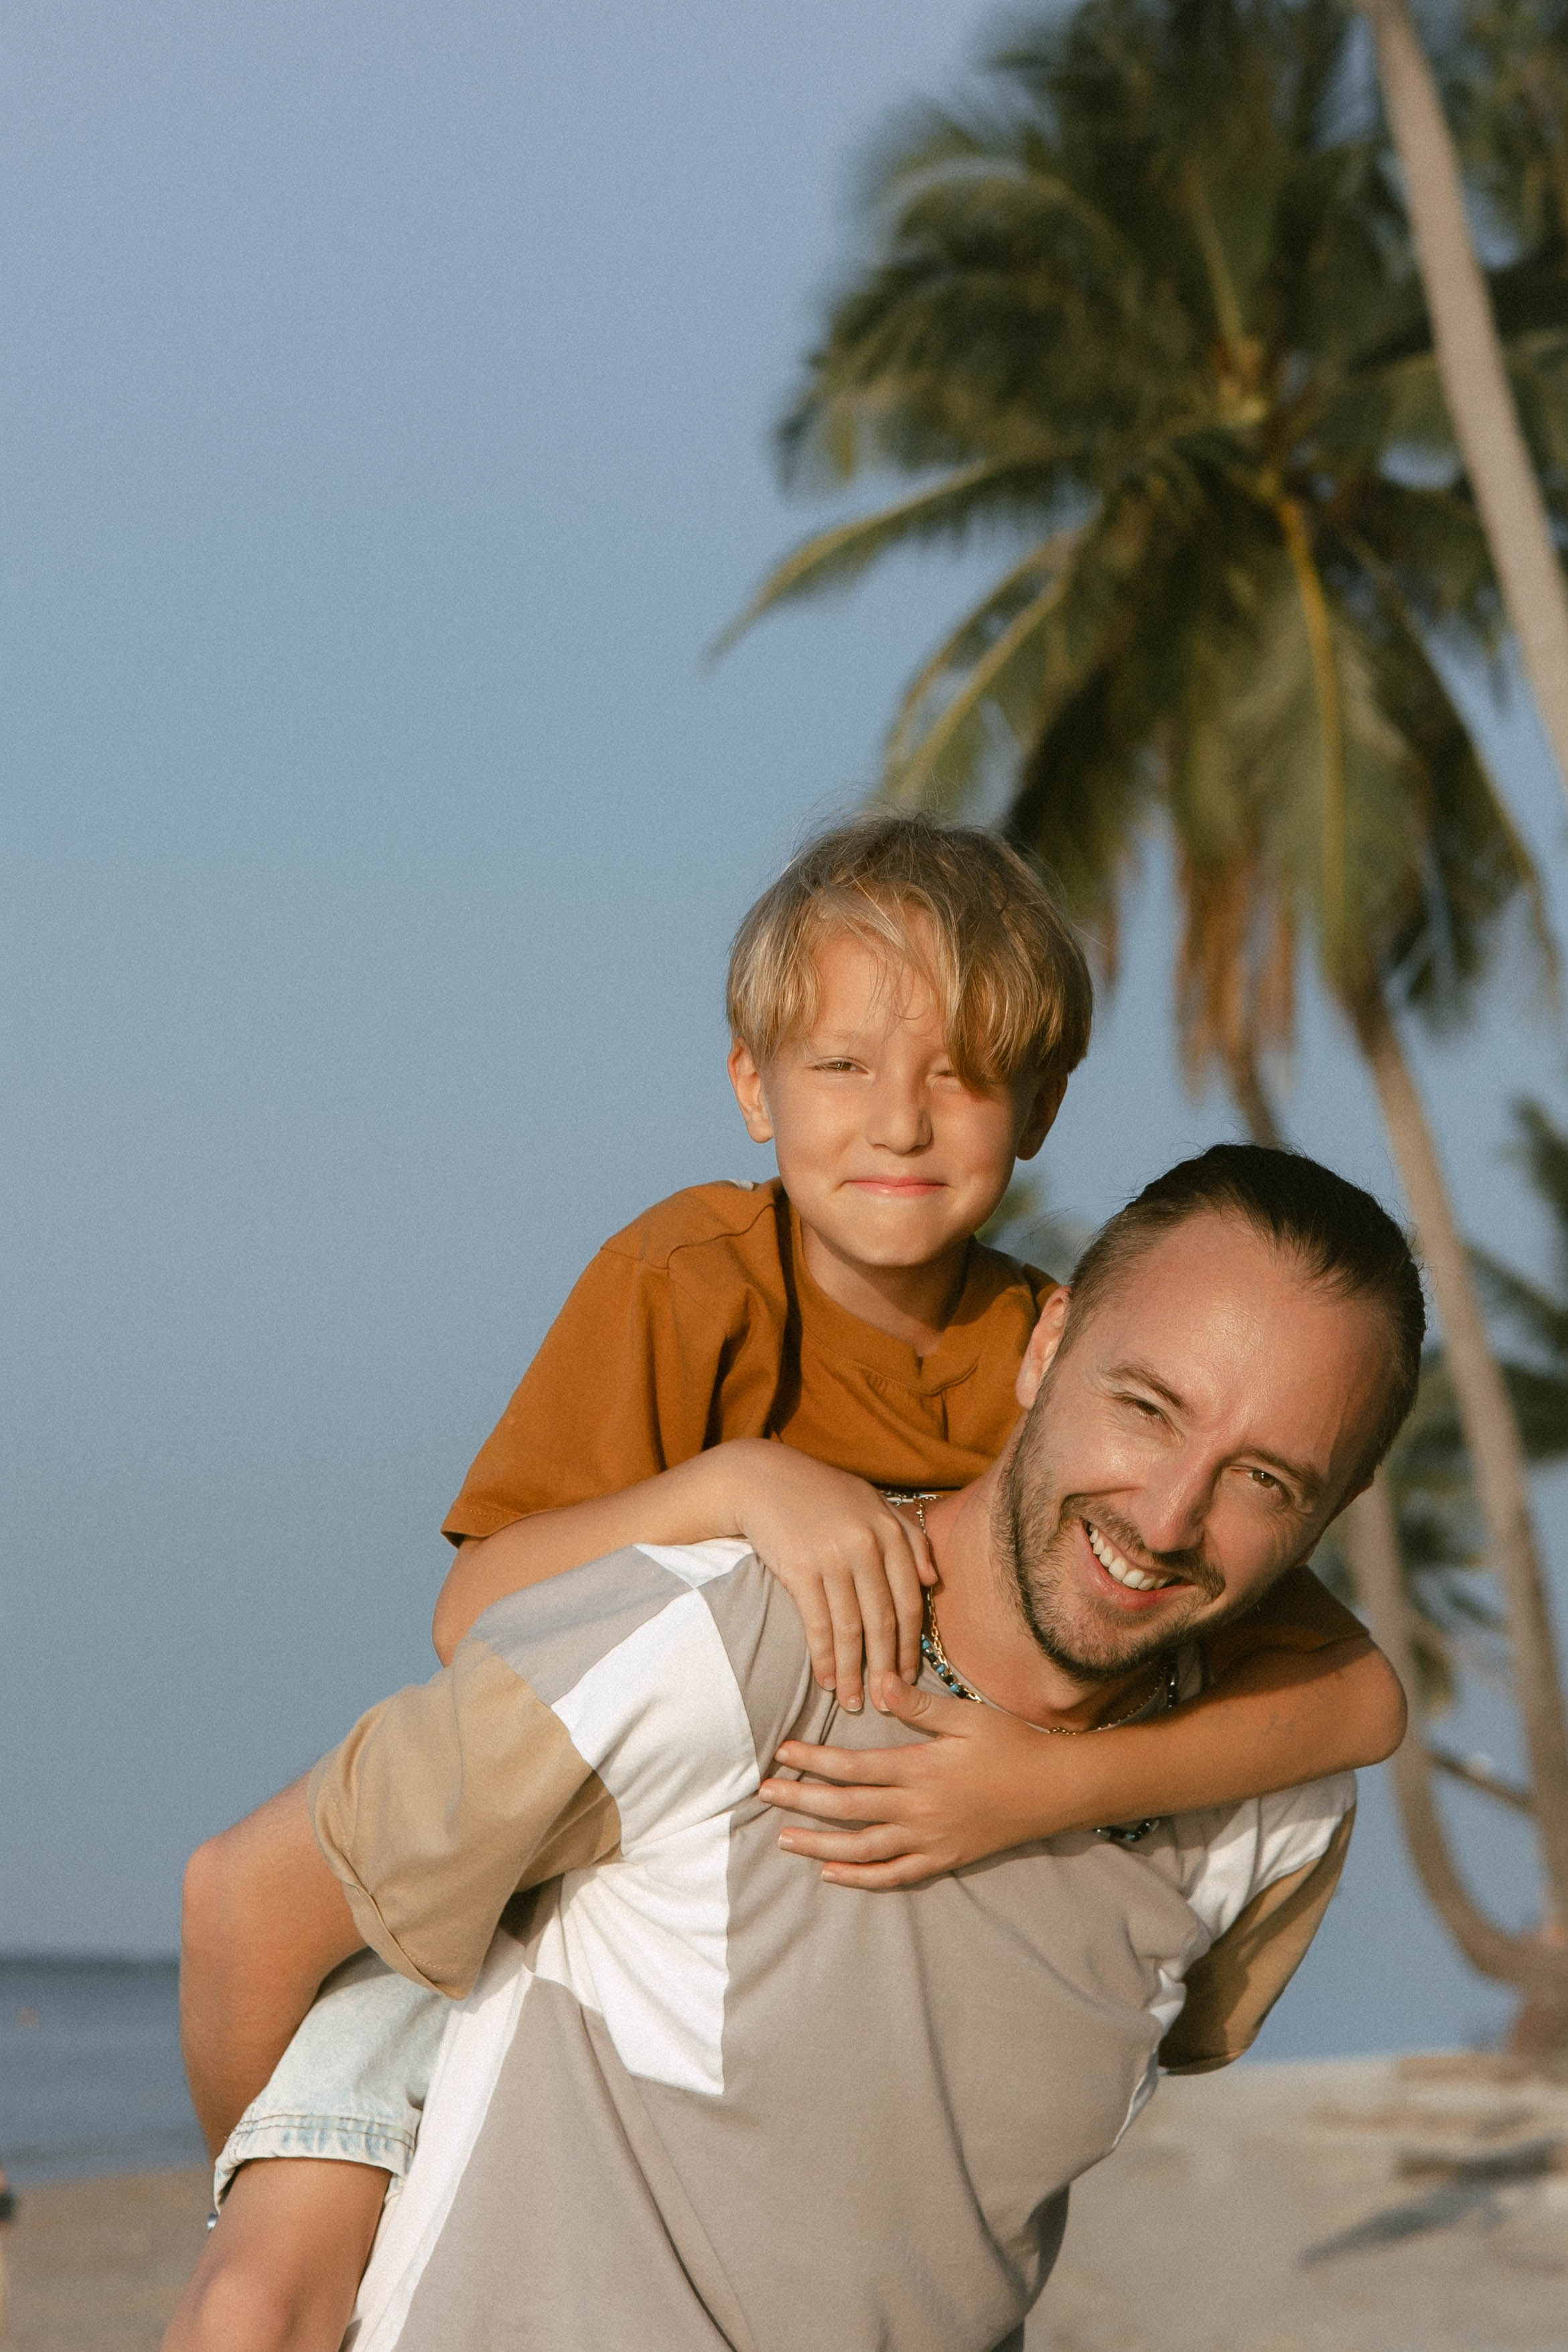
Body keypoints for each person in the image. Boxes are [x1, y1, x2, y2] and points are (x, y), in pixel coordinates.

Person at [167, 820, 1403, 2348]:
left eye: (956, 1075)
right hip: (494, 1862)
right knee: (260, 2279)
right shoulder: (690, 1281)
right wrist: (737, 1485)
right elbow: (472, 1612)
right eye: (842, 1068)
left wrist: (1042, 1789)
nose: (899, 1121)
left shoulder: (1054, 1349)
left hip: (729, 1861)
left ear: (1038, 1108)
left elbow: (1359, 1697)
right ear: (752, 1086)